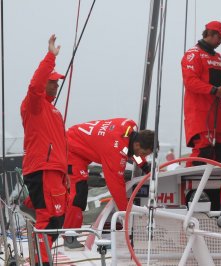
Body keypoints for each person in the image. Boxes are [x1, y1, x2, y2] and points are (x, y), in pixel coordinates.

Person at [63, 118, 154, 250]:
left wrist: (144, 166)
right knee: (79, 192)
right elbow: (116, 186)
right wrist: (125, 214)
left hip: (79, 140)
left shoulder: (129, 128)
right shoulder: (115, 150)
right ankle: (69, 237)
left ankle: (35, 206)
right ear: (138, 145)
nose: (143, 155)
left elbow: (132, 151)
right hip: (71, 148)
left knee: (72, 190)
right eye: (144, 154)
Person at [20, 34, 68, 265]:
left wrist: (65, 173)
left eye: (58, 82)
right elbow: (35, 85)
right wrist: (51, 57)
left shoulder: (53, 112)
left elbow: (60, 144)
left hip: (54, 171)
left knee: (56, 220)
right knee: (50, 221)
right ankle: (41, 262)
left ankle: (30, 208)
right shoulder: (34, 105)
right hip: (43, 168)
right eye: (53, 81)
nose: (56, 85)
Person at [181, 20, 221, 167]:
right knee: (203, 151)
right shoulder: (193, 55)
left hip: (217, 113)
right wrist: (214, 90)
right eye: (220, 37)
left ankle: (212, 186)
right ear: (210, 34)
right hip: (199, 112)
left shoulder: (218, 57)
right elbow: (190, 82)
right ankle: (187, 184)